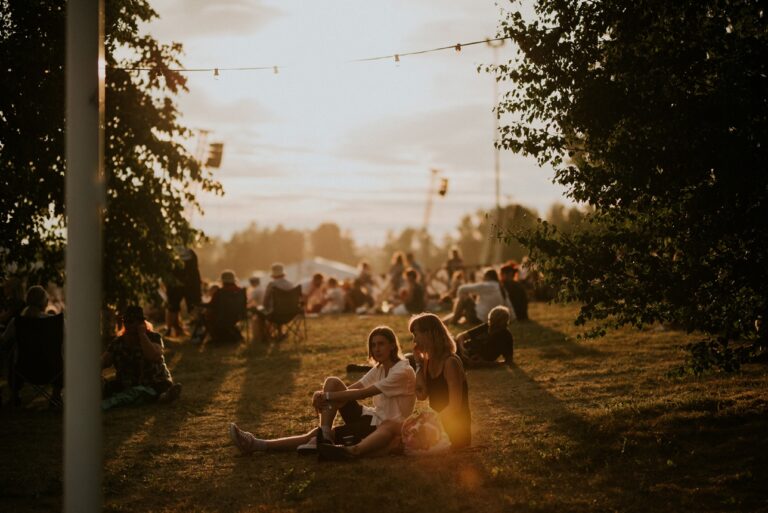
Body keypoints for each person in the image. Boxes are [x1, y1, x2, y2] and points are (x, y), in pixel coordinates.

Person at [228, 326, 416, 461]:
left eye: (381, 344)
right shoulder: (381, 367)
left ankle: (257, 444)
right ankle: (323, 433)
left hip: (381, 428)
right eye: (373, 345)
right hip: (370, 417)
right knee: (332, 382)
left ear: (393, 345)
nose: (376, 349)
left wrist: (327, 398)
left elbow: (364, 393)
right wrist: (326, 393)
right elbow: (356, 387)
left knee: (312, 435)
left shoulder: (402, 371)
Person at [409, 313, 471, 449]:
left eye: (416, 334)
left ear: (430, 334)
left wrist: (430, 424)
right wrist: (418, 364)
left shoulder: (450, 362)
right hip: (439, 426)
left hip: (456, 431)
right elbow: (421, 395)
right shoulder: (427, 362)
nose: (414, 341)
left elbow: (454, 407)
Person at [101, 306, 181, 408]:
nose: (127, 324)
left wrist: (142, 335)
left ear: (140, 323)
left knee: (139, 393)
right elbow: (104, 361)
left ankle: (164, 397)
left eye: (131, 321)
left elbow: (153, 355)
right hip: (125, 385)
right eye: (125, 321)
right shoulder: (118, 343)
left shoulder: (153, 337)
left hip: (154, 384)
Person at [445, 268, 510, 326]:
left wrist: (460, 301)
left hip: (478, 319)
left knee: (464, 299)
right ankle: (445, 321)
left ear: (487, 277)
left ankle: (452, 321)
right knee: (464, 311)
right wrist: (512, 318)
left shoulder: (487, 285)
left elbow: (461, 289)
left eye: (483, 277)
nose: (483, 279)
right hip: (488, 319)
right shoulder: (501, 287)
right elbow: (509, 306)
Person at [164, 247, 201, 337]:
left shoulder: (172, 252)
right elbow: (195, 271)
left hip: (176, 284)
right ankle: (197, 328)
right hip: (189, 284)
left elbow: (168, 271)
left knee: (173, 308)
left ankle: (171, 330)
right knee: (192, 307)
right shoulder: (191, 253)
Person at [254, 263, 295, 341]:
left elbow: (265, 300)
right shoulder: (290, 284)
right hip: (290, 313)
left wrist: (262, 307)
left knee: (261, 312)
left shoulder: (272, 284)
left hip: (275, 314)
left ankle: (264, 336)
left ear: (273, 275)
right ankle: (280, 333)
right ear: (283, 274)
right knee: (278, 310)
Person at [205, 270, 247, 344]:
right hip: (237, 316)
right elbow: (244, 304)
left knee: (206, 316)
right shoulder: (241, 292)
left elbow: (211, 305)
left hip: (221, 318)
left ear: (222, 281)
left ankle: (215, 337)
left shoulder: (220, 292)